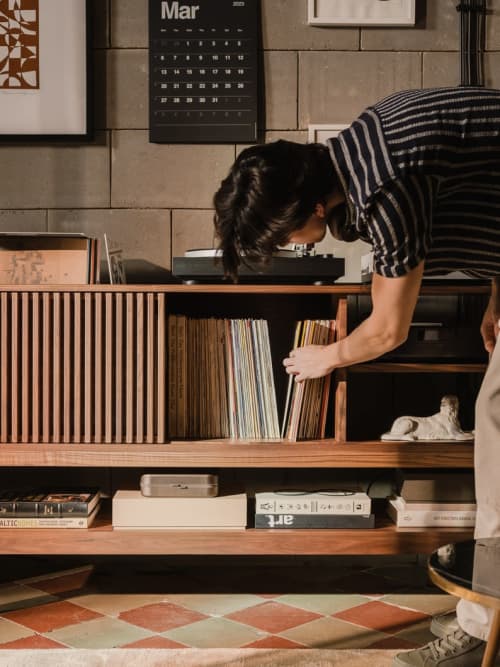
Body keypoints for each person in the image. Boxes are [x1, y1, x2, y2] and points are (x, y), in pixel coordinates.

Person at [213, 86, 500, 667]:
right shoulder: (362, 149)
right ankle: (489, 610)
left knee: (497, 432)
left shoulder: (387, 185)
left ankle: (483, 626)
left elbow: (389, 329)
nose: (289, 250)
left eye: (281, 238)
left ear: (310, 208)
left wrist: (329, 356)